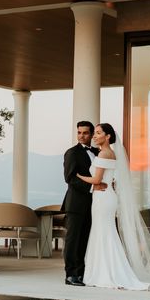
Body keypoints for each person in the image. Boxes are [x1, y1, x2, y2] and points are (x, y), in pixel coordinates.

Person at [76, 123, 150, 292]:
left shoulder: (104, 153)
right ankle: (106, 271)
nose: (94, 136)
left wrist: (79, 175)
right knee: (105, 232)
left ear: (108, 136)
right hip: (106, 196)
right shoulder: (112, 153)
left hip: (103, 198)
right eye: (94, 133)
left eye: (98, 133)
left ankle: (105, 273)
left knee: (104, 232)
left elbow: (96, 180)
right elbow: (107, 179)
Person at [61, 121, 105, 286]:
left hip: (94, 204)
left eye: (85, 133)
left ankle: (82, 273)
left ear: (92, 134)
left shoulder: (97, 152)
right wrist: (93, 186)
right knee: (73, 241)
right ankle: (71, 275)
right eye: (79, 132)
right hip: (76, 204)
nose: (81, 136)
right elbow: (70, 178)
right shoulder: (72, 153)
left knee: (85, 239)